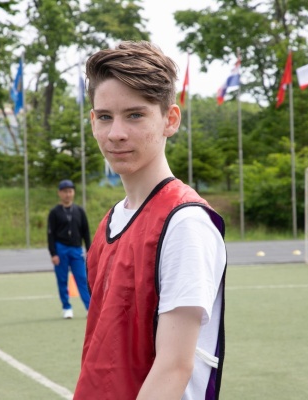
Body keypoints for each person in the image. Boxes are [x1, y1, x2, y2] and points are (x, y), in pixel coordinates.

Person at [74, 41, 227, 399]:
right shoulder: (110, 221)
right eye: (105, 117)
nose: (116, 133)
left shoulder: (185, 224)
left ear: (170, 120)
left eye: (135, 115)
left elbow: (174, 367)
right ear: (93, 122)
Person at [47, 179, 91, 319]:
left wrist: (89, 249)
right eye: (65, 191)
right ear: (59, 193)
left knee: (82, 279)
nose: (68, 194)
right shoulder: (54, 212)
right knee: (62, 280)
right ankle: (66, 307)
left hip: (76, 250)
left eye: (70, 191)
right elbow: (50, 234)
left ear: (74, 193)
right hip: (61, 249)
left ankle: (90, 308)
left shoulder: (79, 211)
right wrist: (53, 253)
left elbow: (86, 232)